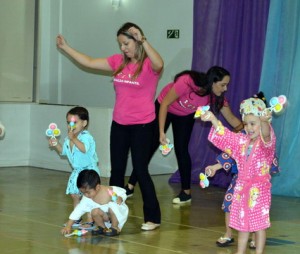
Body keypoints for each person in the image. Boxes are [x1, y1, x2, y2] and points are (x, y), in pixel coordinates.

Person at [56, 22, 163, 231]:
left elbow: (160, 63)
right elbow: (88, 61)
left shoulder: (149, 65)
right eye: (120, 44)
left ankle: (153, 217)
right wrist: (66, 47)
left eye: (126, 43)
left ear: (136, 41)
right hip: (120, 124)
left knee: (140, 169)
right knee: (117, 171)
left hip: (143, 125)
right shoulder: (118, 62)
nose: (123, 48)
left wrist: (144, 40)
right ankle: (107, 216)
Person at [125, 67, 243, 204]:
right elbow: (165, 104)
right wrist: (161, 132)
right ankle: (130, 185)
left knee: (182, 149)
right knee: (151, 145)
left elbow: (233, 120)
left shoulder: (216, 97)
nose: (225, 89)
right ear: (212, 82)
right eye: (223, 85)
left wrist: (250, 130)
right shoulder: (187, 82)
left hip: (184, 115)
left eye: (227, 85)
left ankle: (186, 193)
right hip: (165, 107)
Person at [200, 97, 276, 254]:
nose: (249, 128)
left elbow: (266, 133)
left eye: (253, 123)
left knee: (259, 224)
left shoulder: (266, 145)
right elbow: (225, 135)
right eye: (246, 124)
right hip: (242, 186)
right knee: (242, 222)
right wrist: (213, 119)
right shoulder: (241, 142)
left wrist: (263, 121)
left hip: (259, 188)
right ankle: (240, 253)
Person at [48, 106, 100, 228]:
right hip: (77, 172)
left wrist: (74, 139)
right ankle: (76, 218)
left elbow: (84, 149)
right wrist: (56, 144)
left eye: (74, 122)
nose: (70, 125)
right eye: (68, 122)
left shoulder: (86, 137)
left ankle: (90, 219)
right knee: (75, 195)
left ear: (84, 123)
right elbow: (63, 152)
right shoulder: (68, 139)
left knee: (88, 196)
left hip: (88, 171)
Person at [61, 169, 128, 237]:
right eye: (83, 193)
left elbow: (122, 193)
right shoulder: (87, 198)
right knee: (94, 211)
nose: (86, 195)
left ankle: (115, 227)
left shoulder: (109, 191)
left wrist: (121, 198)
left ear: (97, 187)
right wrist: (69, 225)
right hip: (106, 217)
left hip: (118, 214)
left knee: (112, 206)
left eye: (88, 192)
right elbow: (78, 210)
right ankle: (102, 227)